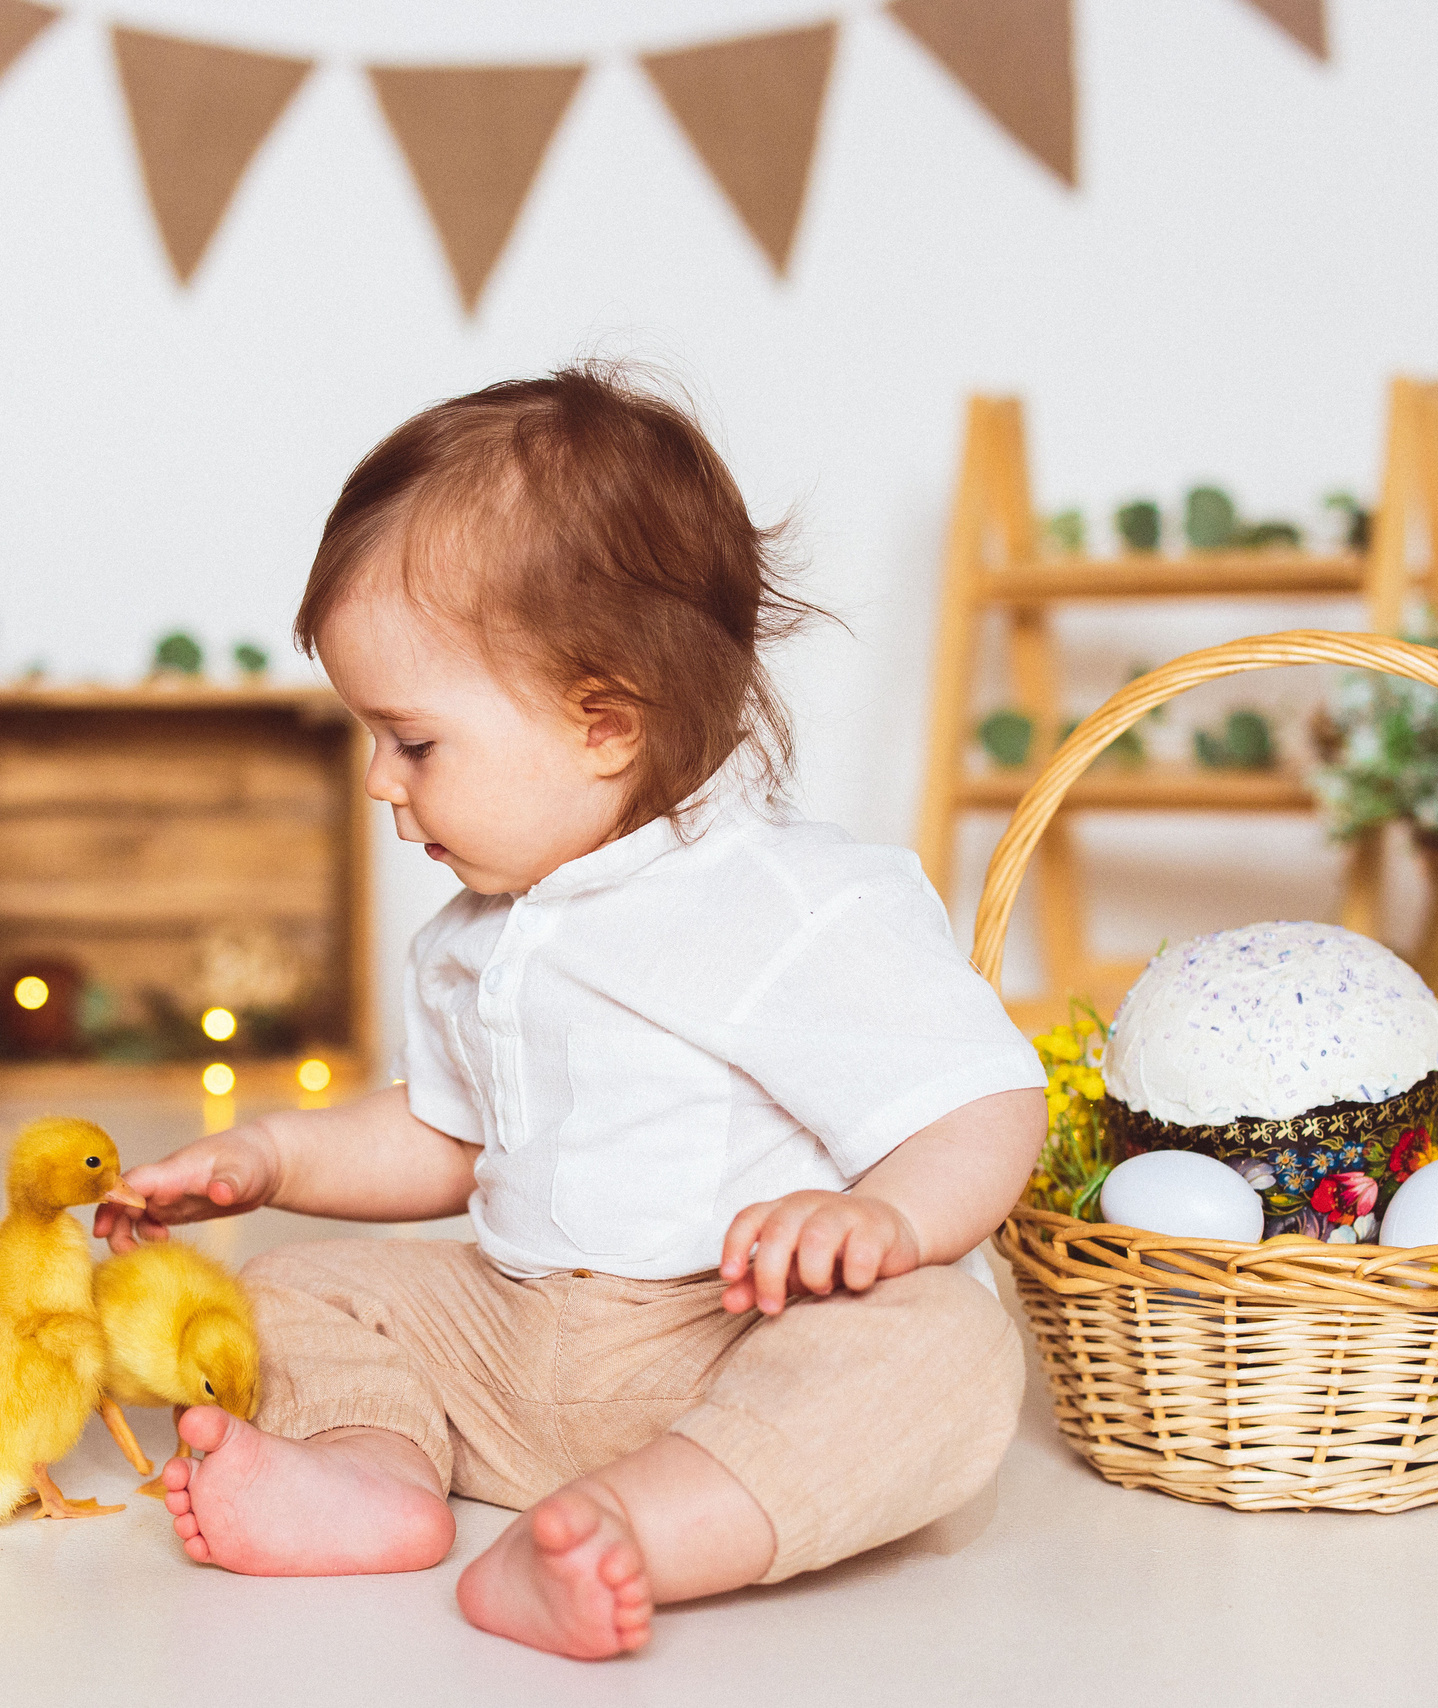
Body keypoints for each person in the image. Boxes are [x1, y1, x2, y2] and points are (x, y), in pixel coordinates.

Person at [95, 364, 1046, 1661]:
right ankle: (373, 1476)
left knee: (944, 1351)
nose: (380, 781)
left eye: (413, 742)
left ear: (601, 722)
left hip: (723, 1343)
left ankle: (641, 1528)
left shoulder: (794, 901)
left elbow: (983, 1102)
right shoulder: (483, 932)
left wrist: (883, 1217)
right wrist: (270, 1160)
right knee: (288, 1287)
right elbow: (446, 1137)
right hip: (509, 1327)